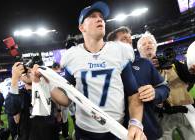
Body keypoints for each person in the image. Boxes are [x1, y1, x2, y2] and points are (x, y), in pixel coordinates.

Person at [59, 1, 145, 140]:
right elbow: (65, 99)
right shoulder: (72, 56)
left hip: (116, 129)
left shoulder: (120, 50)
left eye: (101, 17)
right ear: (82, 27)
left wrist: (135, 123)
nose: (100, 19)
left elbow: (133, 94)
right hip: (84, 130)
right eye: (92, 16)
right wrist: (46, 81)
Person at [107, 26, 170, 140]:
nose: (130, 41)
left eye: (130, 39)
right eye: (124, 39)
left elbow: (164, 88)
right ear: (112, 45)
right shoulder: (104, 69)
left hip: (148, 130)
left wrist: (155, 93)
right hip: (117, 132)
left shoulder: (144, 63)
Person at [137, 33, 195, 140]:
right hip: (160, 116)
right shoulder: (136, 69)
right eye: (144, 44)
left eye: (150, 42)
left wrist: (193, 73)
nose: (148, 45)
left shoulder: (172, 62)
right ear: (139, 50)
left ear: (155, 46)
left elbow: (189, 78)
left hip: (184, 111)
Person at [5, 60, 70, 140]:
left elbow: (65, 101)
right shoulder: (20, 94)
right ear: (20, 78)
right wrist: (14, 78)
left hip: (50, 135)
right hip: (28, 136)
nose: (27, 72)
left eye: (30, 69)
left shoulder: (46, 87)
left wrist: (42, 80)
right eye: (24, 72)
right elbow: (11, 110)